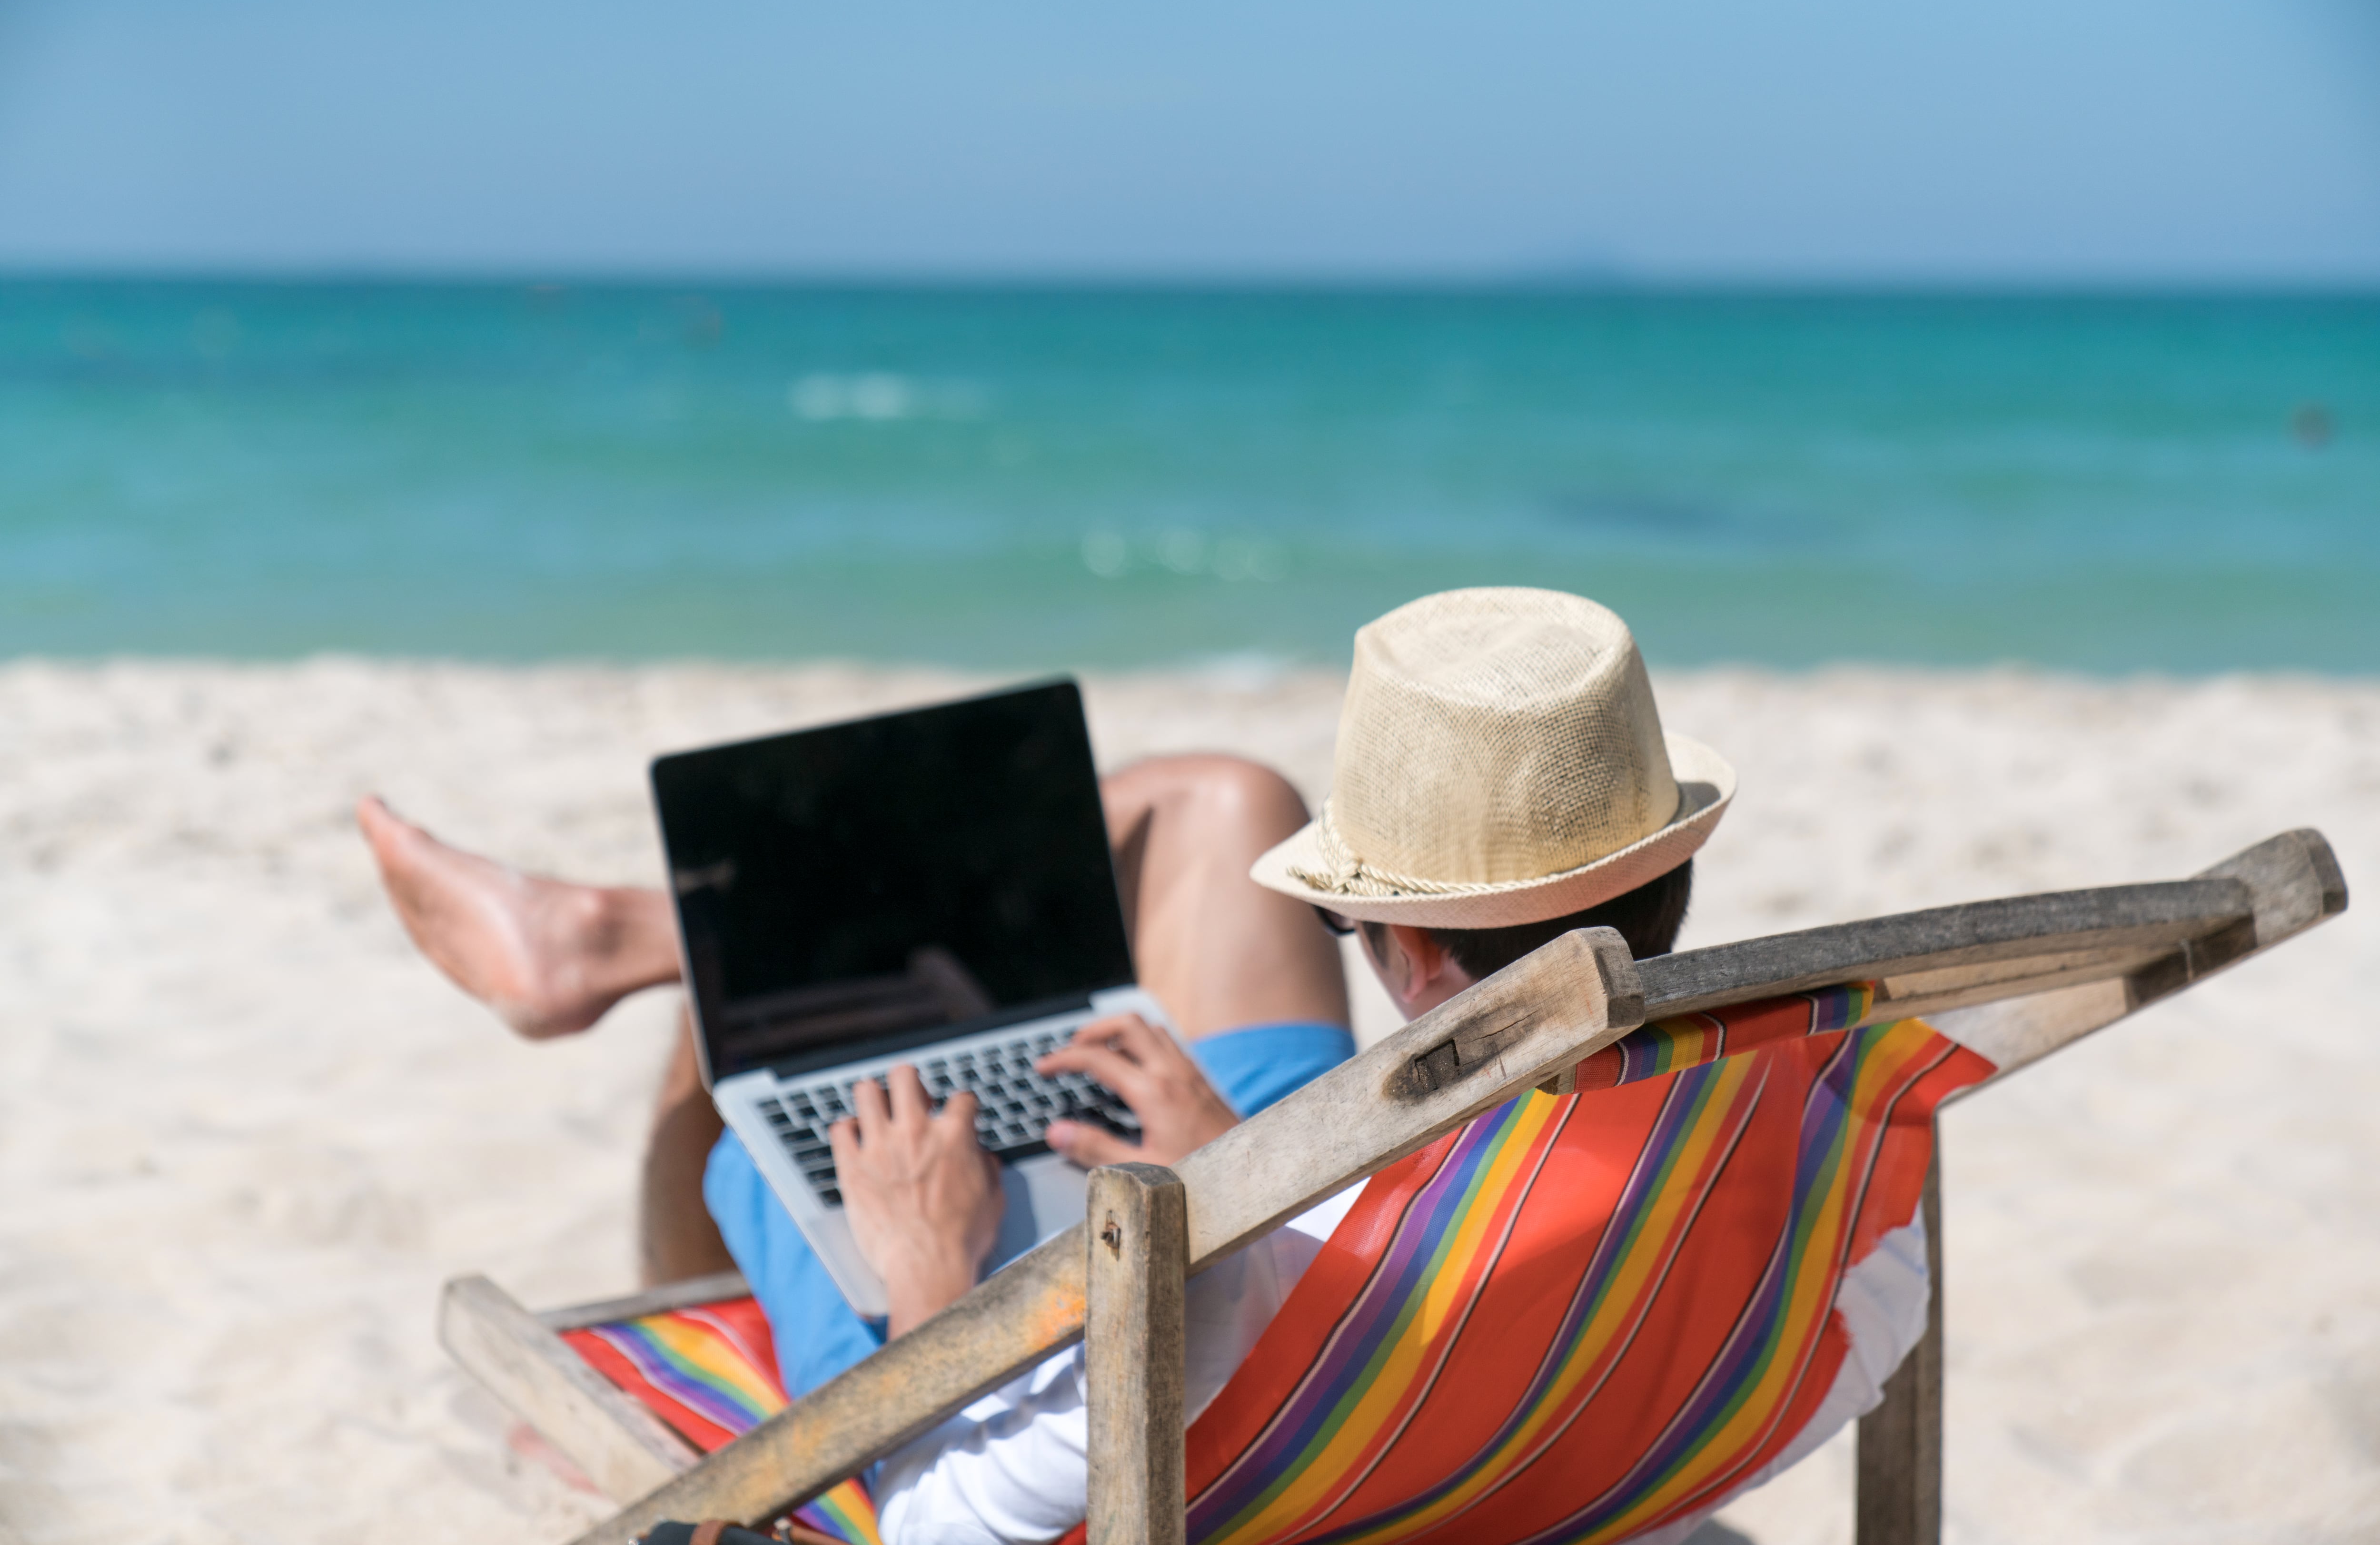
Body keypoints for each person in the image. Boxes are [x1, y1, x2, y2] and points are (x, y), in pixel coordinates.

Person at [364, 588, 1923, 1545]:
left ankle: (651, 957)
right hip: (1353, 1296)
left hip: (1181, 1369)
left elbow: (952, 1517)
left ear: (1399, 953)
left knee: (757, 1049)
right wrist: (1228, 1162)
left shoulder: (1371, 1238)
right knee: (1222, 801)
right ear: (1672, 874)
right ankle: (632, 933)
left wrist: (932, 1272)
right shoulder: (1803, 1090)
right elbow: (1875, 1331)